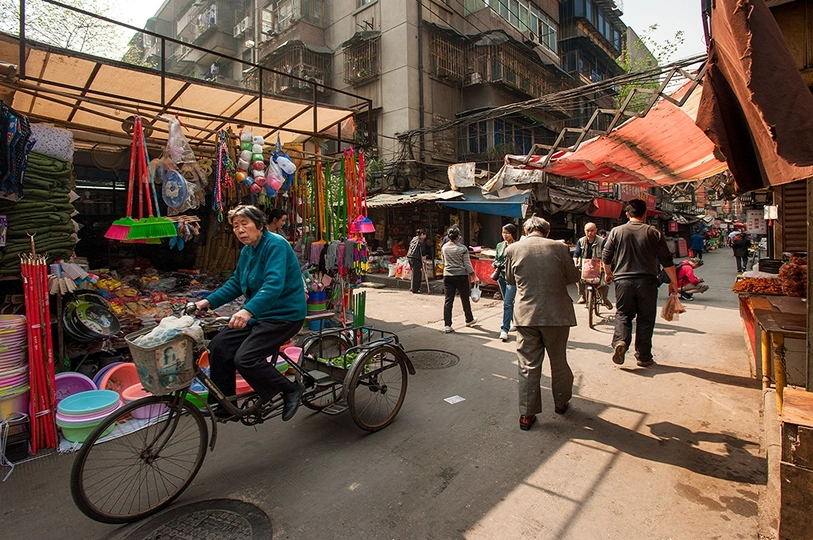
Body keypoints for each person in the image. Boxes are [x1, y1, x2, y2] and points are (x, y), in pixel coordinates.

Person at [194, 205, 306, 421]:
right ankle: (224, 403)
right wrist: (206, 302)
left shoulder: (276, 245)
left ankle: (290, 389)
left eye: (245, 223)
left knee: (245, 358)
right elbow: (236, 282)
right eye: (235, 226)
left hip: (284, 315)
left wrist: (247, 311)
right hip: (260, 314)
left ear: (260, 225)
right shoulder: (247, 250)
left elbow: (273, 285)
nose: (240, 229)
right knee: (219, 346)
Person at [505, 216, 581, 430]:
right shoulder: (560, 247)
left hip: (526, 315)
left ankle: (526, 415)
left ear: (527, 231)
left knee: (528, 365)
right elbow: (572, 276)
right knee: (558, 361)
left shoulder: (513, 249)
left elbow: (510, 279)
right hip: (556, 315)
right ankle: (561, 403)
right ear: (547, 232)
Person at [602, 199, 678, 368]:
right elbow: (666, 260)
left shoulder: (616, 231)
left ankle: (621, 341)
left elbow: (606, 256)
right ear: (645, 213)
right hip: (648, 282)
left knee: (623, 314)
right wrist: (674, 282)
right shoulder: (654, 232)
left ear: (627, 214)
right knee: (645, 318)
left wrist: (608, 273)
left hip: (623, 281)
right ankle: (643, 356)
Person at [441, 227, 479, 333]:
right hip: (461, 275)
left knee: (448, 300)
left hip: (447, 275)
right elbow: (467, 263)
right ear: (458, 237)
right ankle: (469, 319)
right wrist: (474, 276)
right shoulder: (462, 248)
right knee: (464, 298)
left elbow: (444, 260)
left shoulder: (444, 247)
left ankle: (447, 325)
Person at [573, 222, 612, 309]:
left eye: (592, 230)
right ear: (584, 231)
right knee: (577, 277)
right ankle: (583, 295)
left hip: (599, 267)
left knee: (603, 285)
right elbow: (576, 254)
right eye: (587, 230)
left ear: (596, 231)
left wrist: (605, 266)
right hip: (585, 267)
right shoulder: (581, 241)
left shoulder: (602, 242)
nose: (589, 233)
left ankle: (604, 299)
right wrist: (575, 261)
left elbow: (606, 255)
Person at [493, 223, 517, 342]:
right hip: (501, 277)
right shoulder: (499, 245)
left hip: (512, 278)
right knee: (507, 302)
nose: (505, 235)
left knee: (507, 303)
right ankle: (513, 321)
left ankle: (504, 329)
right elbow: (496, 258)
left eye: (507, 233)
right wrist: (496, 264)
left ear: (512, 234)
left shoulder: (517, 246)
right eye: (503, 233)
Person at [406, 229, 427, 294]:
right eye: (425, 235)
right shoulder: (421, 241)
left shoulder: (414, 239)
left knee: (414, 273)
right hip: (416, 258)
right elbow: (423, 252)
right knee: (417, 274)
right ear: (422, 234)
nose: (425, 236)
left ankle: (413, 287)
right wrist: (424, 259)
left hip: (410, 256)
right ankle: (415, 289)